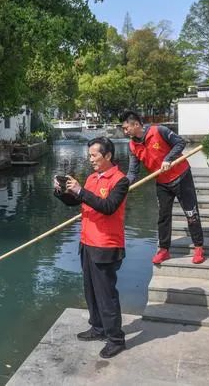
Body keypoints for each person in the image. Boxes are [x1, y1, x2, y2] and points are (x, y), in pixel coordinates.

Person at [54, 137, 128, 359]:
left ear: (107, 156)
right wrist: (62, 191)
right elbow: (77, 202)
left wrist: (81, 190)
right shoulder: (92, 178)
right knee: (91, 291)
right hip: (87, 242)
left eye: (94, 155)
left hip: (106, 245)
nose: (91, 159)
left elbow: (107, 207)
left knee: (106, 295)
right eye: (89, 156)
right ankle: (97, 327)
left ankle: (116, 339)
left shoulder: (120, 180)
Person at [119, 111, 205, 265]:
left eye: (126, 128)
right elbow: (133, 172)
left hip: (181, 176)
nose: (125, 132)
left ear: (136, 124)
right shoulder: (132, 146)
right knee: (163, 216)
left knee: (191, 213)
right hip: (162, 182)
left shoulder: (159, 130)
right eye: (124, 129)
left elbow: (180, 142)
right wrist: (123, 185)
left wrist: (168, 159)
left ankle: (198, 247)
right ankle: (164, 250)